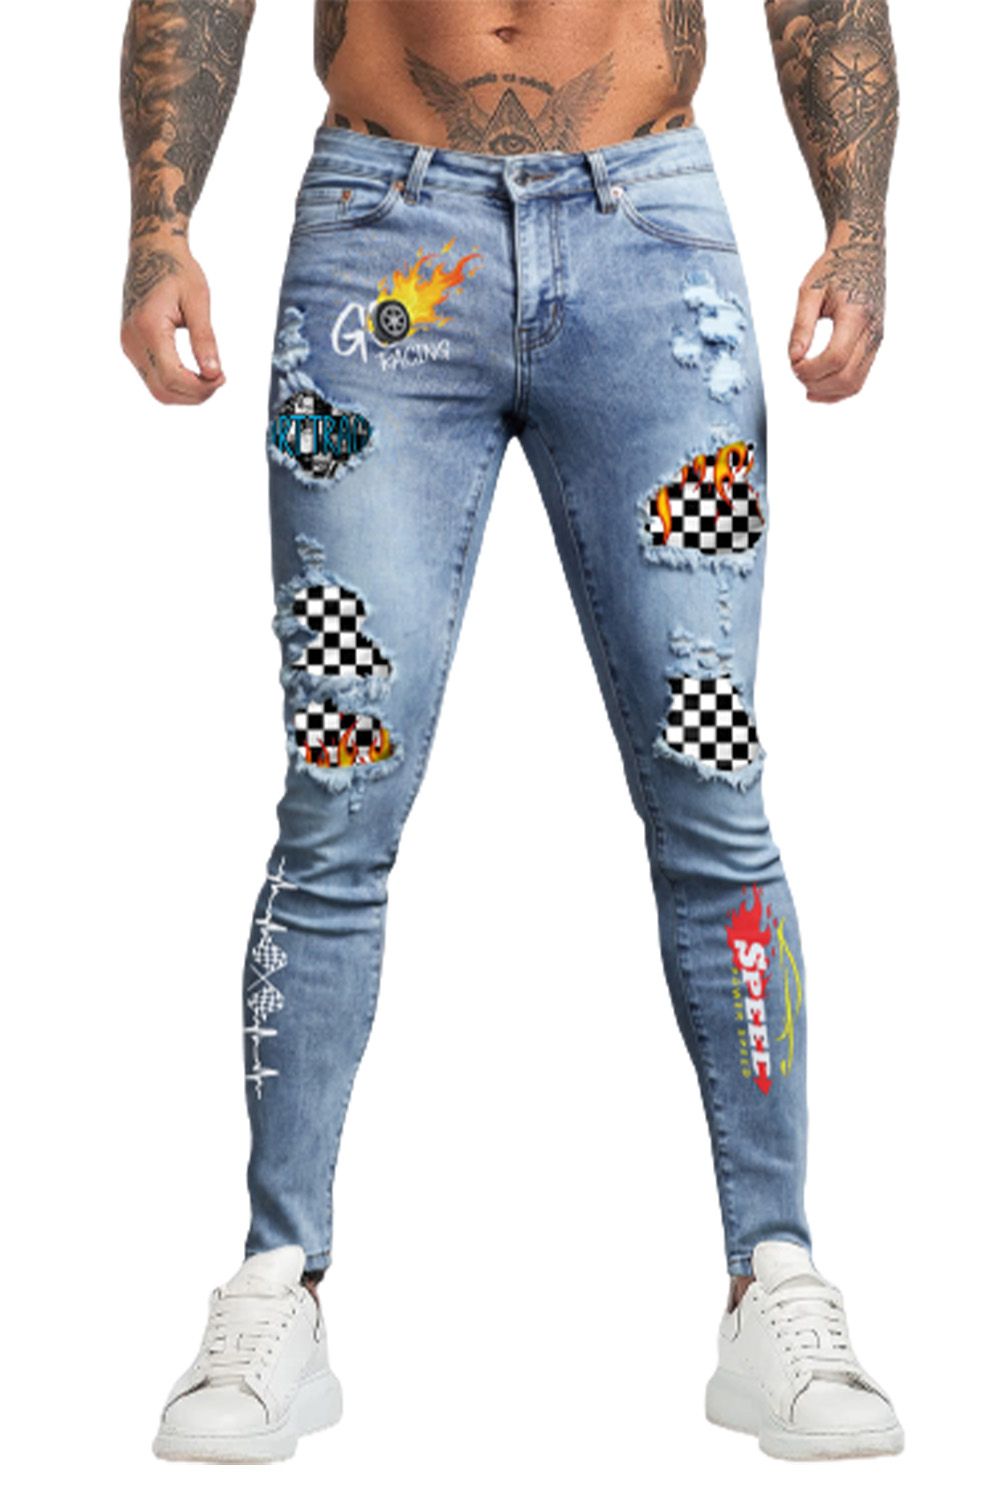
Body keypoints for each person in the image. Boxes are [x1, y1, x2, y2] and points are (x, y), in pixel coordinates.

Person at [121, 0, 903, 1465]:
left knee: (711, 781)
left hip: (651, 245)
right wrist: (158, 222)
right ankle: (276, 1283)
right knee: (338, 792)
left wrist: (854, 228)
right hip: (383, 254)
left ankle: (776, 1274)